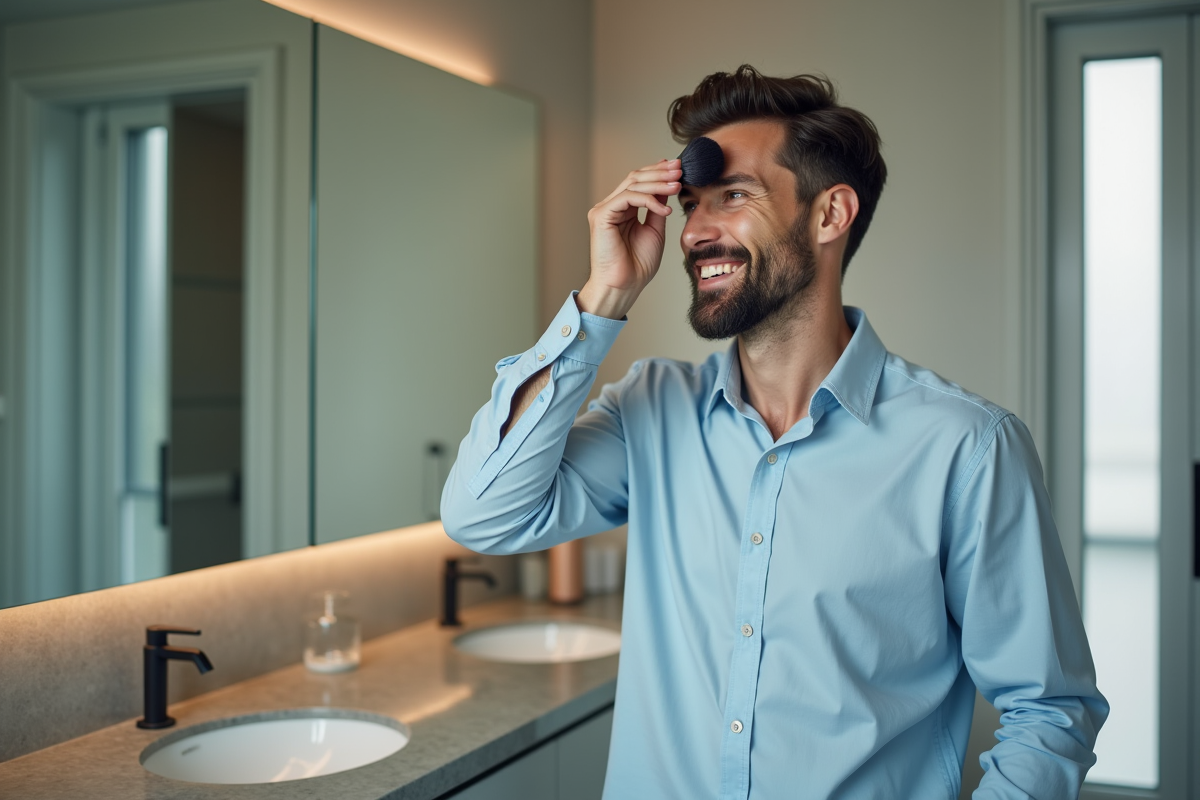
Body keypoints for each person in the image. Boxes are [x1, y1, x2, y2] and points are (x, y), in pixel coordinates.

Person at [441, 65, 1107, 799]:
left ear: (830, 215)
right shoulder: (652, 411)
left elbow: (1048, 709)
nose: (694, 231)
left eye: (733, 197)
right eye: (690, 203)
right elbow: (484, 513)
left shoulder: (966, 449)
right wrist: (605, 294)